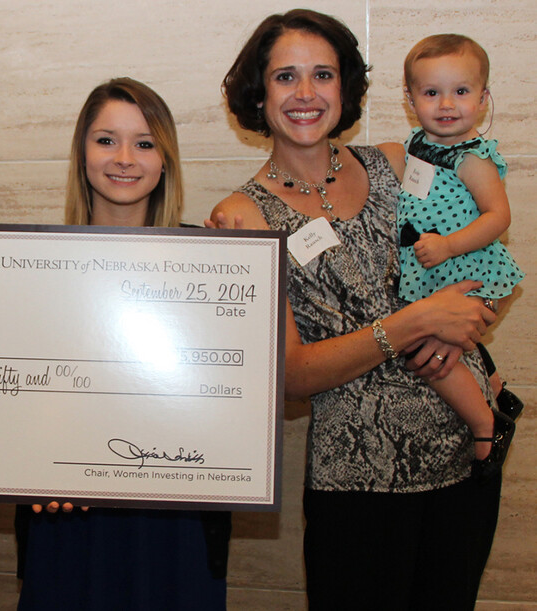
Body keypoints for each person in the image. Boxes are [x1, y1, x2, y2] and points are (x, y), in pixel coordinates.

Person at [211, 9, 504, 608]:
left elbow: (482, 256)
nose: (305, 94)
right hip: (358, 482)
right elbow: (290, 377)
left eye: (323, 74)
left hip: (465, 454)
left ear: (344, 87)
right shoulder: (243, 218)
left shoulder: (398, 164)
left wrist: (464, 322)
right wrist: (417, 321)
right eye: (285, 77)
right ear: (258, 93)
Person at [15, 78, 230, 610]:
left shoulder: (213, 264)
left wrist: (244, 276)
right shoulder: (29, 269)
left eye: (145, 142)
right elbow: (12, 402)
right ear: (81, 153)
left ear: (166, 160)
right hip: (65, 517)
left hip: (175, 524)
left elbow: (232, 398)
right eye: (106, 139)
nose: (125, 158)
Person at [398, 33, 522, 473]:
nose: (447, 104)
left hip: (468, 267)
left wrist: (448, 244)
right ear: (410, 99)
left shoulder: (471, 157)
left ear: (483, 99)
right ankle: (492, 383)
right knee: (434, 344)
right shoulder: (418, 145)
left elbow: (498, 216)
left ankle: (486, 426)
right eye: (432, 93)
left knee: (425, 352)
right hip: (436, 268)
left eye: (461, 92)